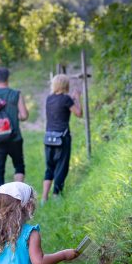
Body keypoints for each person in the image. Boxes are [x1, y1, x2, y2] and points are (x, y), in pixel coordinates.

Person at [42, 74, 82, 202]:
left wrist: (72, 98)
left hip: (48, 137)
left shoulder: (49, 98)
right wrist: (77, 99)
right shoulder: (66, 99)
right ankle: (56, 196)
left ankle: (44, 198)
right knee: (61, 166)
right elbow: (78, 113)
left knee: (50, 167)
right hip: (62, 138)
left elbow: (61, 103)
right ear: (66, 85)